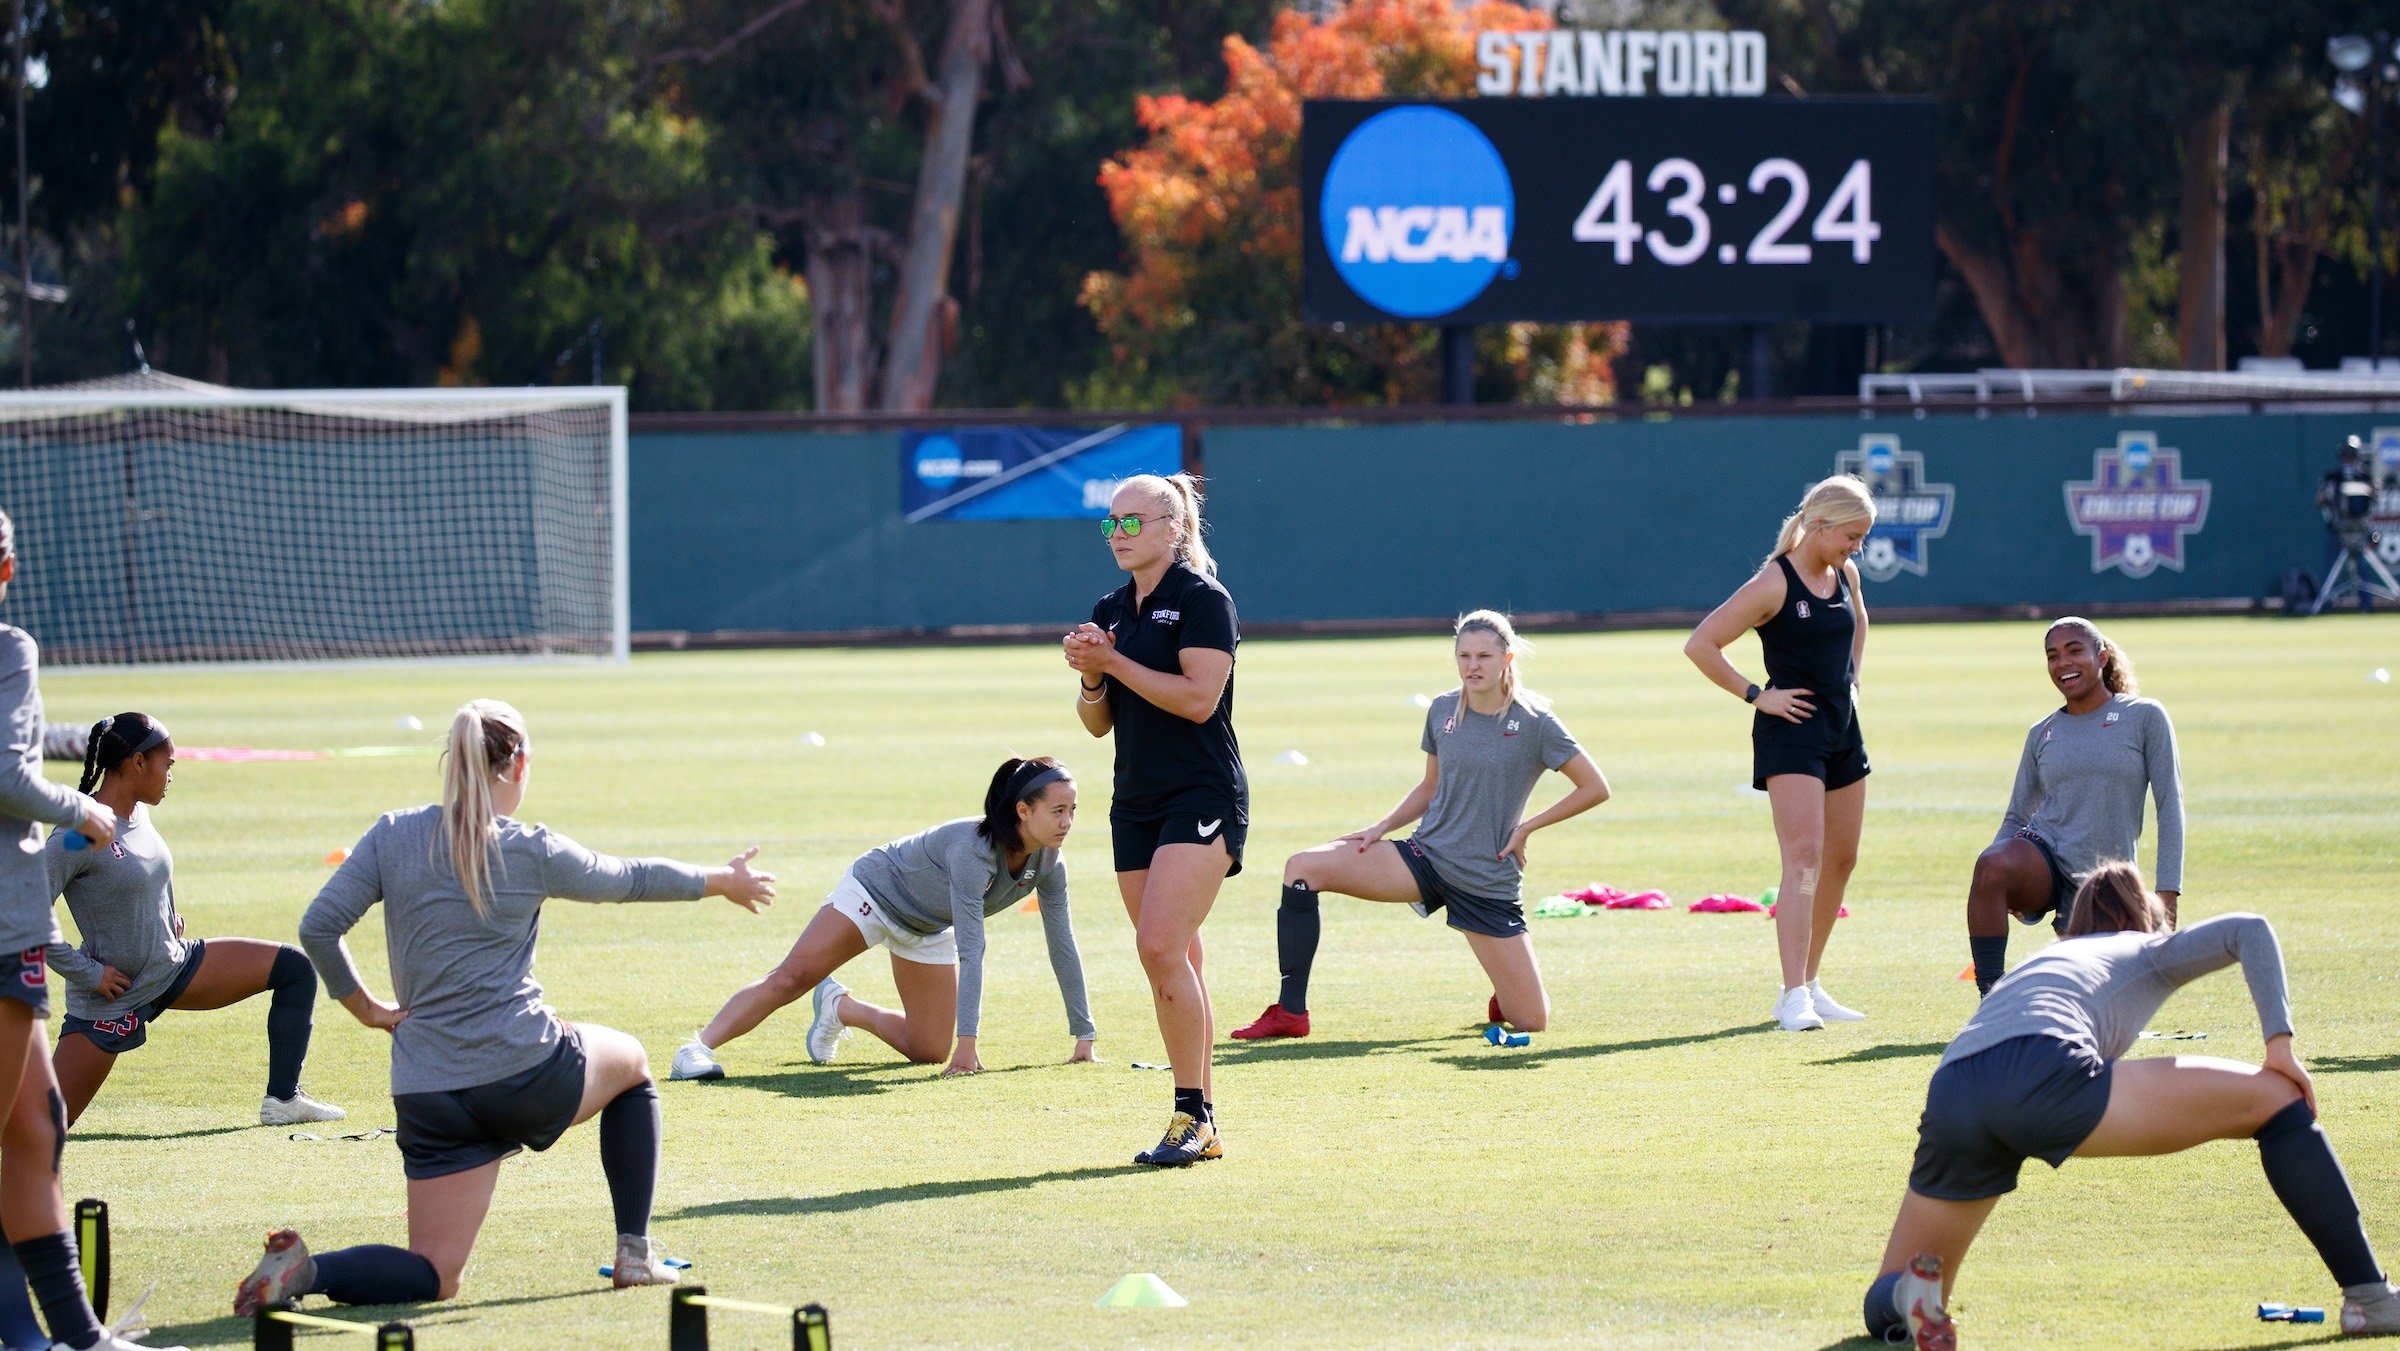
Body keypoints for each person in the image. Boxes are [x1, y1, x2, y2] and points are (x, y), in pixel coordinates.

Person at [233, 699, 776, 1314]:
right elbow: (628, 878)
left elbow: (318, 927)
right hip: (526, 1073)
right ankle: (635, 1254)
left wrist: (364, 1008)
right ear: (517, 766)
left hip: (429, 1094)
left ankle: (305, 1273)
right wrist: (721, 880)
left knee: (434, 1274)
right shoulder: (531, 848)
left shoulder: (392, 834)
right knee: (633, 1066)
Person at [1864, 862, 2400, 1346]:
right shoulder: (2144, 947)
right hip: (2041, 1073)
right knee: (2279, 1099)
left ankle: (1903, 1297)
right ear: (2148, 917)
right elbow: (2249, 930)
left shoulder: (2050, 957)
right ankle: (2370, 1301)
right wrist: (2279, 1046)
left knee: (1906, 1286)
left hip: (1955, 1086)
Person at [1231, 611, 1609, 1040]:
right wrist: (1382, 826)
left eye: (1484, 655)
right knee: (1302, 867)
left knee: (1530, 1021)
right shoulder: (1443, 708)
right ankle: (1290, 1013)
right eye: (1464, 655)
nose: (1473, 665)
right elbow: (1430, 787)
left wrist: (1526, 828)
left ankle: (1508, 990)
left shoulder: (1536, 721)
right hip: (1424, 859)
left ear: (1507, 658)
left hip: (1485, 879)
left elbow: (1595, 787)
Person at [0, 509, 181, 1351]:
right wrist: (83, 808)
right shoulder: (11, 646)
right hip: (5, 930)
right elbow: (9, 775)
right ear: (8, 568)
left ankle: (71, 1338)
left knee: (36, 1126)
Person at [669, 756, 1096, 1080]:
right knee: (793, 976)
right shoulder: (973, 851)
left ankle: (841, 1008)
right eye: (1058, 810)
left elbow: (1062, 944)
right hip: (876, 892)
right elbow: (972, 948)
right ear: (1023, 810)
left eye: (1073, 810)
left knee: (928, 1048)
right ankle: (696, 1049)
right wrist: (967, 1049)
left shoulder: (1050, 863)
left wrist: (1084, 1036)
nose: (1068, 822)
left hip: (926, 924)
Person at [44, 712, 344, 1127]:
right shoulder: (79, 832)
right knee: (44, 1129)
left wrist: (165, 918)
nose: (170, 776)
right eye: (167, 766)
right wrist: (89, 975)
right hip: (113, 1000)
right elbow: (24, 914)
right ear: (137, 763)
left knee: (295, 969)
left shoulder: (139, 814)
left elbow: (142, 876)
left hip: (172, 968)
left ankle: (284, 1099)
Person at [1065, 472, 1241, 1167]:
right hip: (1135, 799)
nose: (1118, 534)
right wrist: (1090, 675)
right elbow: (1096, 724)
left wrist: (1114, 660)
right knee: (1175, 953)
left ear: (1173, 527)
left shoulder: (1203, 600)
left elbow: (1200, 698)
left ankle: (1190, 1113)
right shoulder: (1112, 606)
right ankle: (1206, 1119)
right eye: (1111, 523)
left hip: (1200, 793)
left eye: (1132, 521)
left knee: (1160, 946)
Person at [1684, 475, 1874, 1032]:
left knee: (1842, 860)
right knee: (1806, 859)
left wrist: (1854, 681)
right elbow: (1701, 643)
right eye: (1851, 536)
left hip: (1843, 727)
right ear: (1820, 525)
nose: (1856, 547)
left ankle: (1811, 984)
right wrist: (1756, 695)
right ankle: (1792, 995)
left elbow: (1859, 621)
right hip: (1791, 732)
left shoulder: (1845, 573)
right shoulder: (1774, 582)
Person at [1964, 620, 2182, 994]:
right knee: (1990, 866)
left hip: (2106, 880)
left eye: (2074, 650)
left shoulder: (2145, 717)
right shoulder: (2042, 732)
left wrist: (2167, 895)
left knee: (2096, 996)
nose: (2063, 662)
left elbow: (2170, 806)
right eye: (2052, 655)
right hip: (2045, 857)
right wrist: (1996, 877)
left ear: (2102, 657)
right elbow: (2018, 814)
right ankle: (1991, 996)